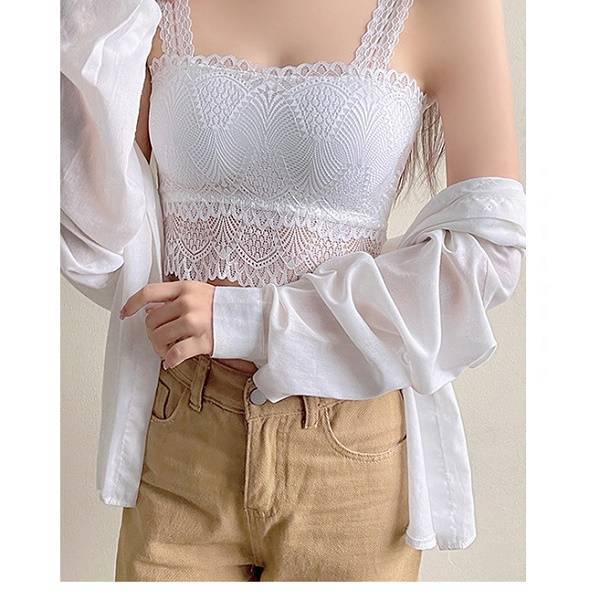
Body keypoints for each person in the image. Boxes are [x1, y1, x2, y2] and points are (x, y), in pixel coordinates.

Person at [60, 0, 526, 582]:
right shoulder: (145, 9)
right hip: (184, 431)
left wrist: (247, 319)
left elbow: (489, 251)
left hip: (351, 449)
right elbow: (92, 225)